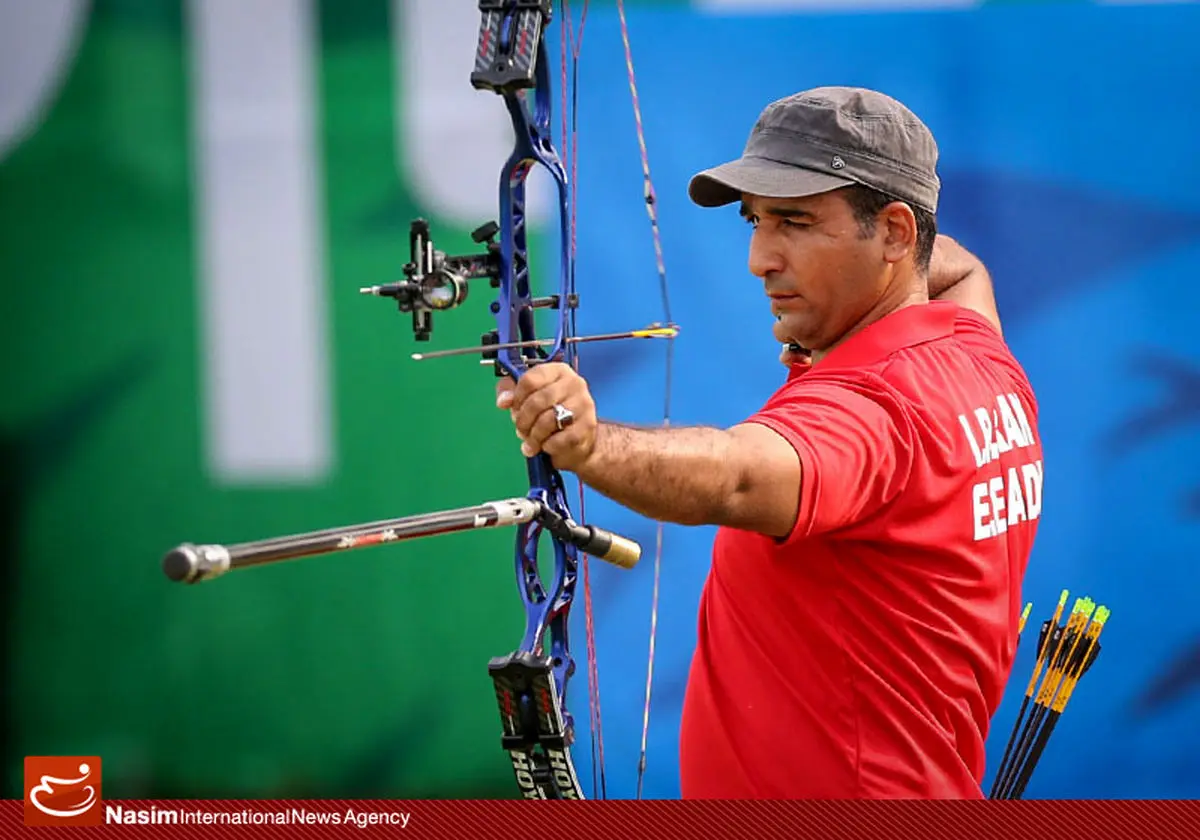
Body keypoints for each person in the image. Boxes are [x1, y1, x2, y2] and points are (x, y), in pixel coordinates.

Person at [495, 86, 1043, 799]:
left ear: (898, 233)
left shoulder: (875, 409)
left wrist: (590, 445)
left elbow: (736, 478)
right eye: (755, 221)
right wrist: (857, 292)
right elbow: (963, 268)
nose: (760, 258)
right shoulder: (979, 353)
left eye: (795, 222)